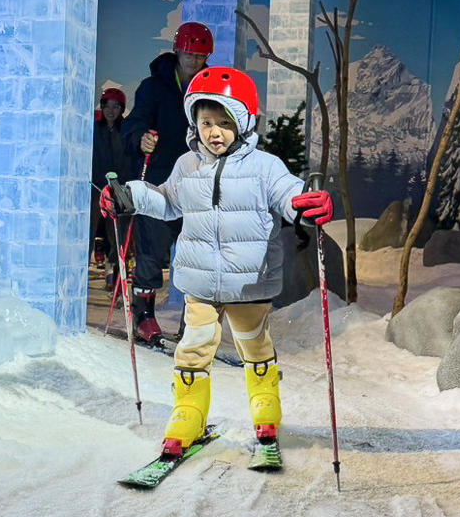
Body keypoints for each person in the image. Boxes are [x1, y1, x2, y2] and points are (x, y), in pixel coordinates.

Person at [101, 67, 333, 456]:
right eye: (206, 122)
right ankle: (188, 411)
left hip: (249, 283)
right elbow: (167, 201)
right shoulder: (187, 165)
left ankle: (265, 408)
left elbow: (288, 193)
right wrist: (131, 196)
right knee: (194, 345)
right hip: (201, 283)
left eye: (225, 123)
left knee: (254, 344)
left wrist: (304, 205)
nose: (214, 132)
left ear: (242, 123)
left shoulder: (264, 166)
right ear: (194, 121)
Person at [120, 21, 214, 342]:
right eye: (189, 51)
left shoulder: (209, 91)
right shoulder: (153, 87)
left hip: (196, 184)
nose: (193, 58)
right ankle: (143, 315)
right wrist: (141, 138)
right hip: (159, 180)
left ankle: (193, 321)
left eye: (200, 54)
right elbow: (132, 125)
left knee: (194, 255)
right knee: (152, 249)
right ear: (178, 50)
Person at [91, 88, 129, 287]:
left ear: (122, 108)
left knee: (119, 238)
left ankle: (116, 278)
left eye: (116, 106)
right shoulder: (95, 129)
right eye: (107, 106)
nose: (111, 111)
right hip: (96, 187)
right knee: (89, 232)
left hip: (119, 189)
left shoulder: (127, 129)